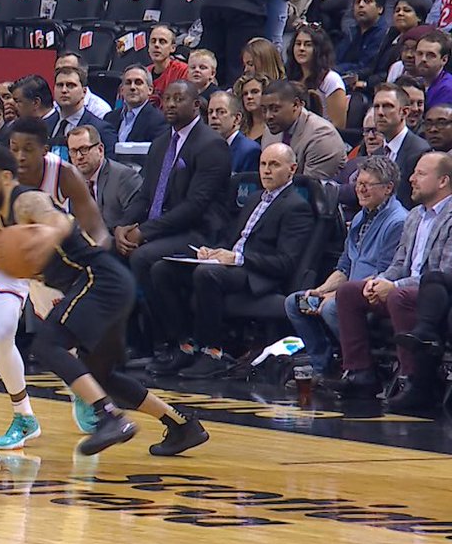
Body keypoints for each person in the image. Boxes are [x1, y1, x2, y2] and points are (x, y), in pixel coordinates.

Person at [0, 146, 210, 455]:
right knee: (101, 374)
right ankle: (181, 425)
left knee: (47, 345)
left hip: (99, 279)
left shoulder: (27, 200)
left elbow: (57, 222)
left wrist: (44, 238)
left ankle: (109, 417)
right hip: (103, 284)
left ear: (5, 178)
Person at [147, 143, 315, 377]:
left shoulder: (297, 207)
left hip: (258, 275)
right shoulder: (255, 198)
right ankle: (184, 345)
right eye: (263, 164)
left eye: (274, 165)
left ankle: (212, 353)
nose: (266, 170)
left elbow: (284, 263)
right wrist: (212, 251)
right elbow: (231, 239)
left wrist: (237, 258)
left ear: (292, 169)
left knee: (207, 274)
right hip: (231, 264)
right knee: (162, 270)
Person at [115, 80, 233, 341]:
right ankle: (133, 340)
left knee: (143, 258)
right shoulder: (160, 143)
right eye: (167, 98)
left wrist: (144, 232)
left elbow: (195, 206)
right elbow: (146, 194)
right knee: (113, 250)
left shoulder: (211, 145)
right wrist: (123, 225)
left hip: (201, 233)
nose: (169, 104)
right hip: (166, 228)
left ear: (196, 105)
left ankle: (174, 340)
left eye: (178, 99)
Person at [328, 151, 452, 398]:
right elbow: (399, 263)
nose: (412, 179)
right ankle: (359, 372)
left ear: (443, 181)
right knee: (350, 291)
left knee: (399, 296)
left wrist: (393, 286)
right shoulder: (416, 215)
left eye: (420, 174)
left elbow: (443, 274)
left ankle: (412, 380)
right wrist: (380, 281)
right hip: (405, 288)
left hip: (436, 296)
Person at [287, 155, 406, 379]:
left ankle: (362, 368)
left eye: (366, 185)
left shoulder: (397, 222)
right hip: (346, 292)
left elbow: (383, 275)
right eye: (358, 184)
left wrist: (335, 296)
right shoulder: (362, 215)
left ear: (388, 188)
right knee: (296, 302)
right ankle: (324, 367)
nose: (360, 190)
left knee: (333, 308)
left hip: (371, 296)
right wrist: (321, 291)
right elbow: (345, 265)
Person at [261, 79, 348, 180]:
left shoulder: (321, 137)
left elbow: (309, 190)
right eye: (263, 110)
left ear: (296, 104)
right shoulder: (270, 132)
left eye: (275, 109)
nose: (268, 116)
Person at [67, 125, 142, 233]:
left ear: (100, 149)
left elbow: (133, 220)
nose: (79, 156)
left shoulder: (124, 177)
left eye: (84, 149)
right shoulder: (73, 181)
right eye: (73, 151)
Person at [370, 83, 431, 208]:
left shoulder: (421, 152)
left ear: (404, 112)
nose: (380, 112)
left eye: (387, 106)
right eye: (376, 106)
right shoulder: (377, 154)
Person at [286, 24, 349, 128]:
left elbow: (339, 125)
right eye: (298, 44)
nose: (301, 48)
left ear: (319, 49)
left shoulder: (331, 79)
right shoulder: (290, 77)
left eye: (308, 44)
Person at [104, 65, 169, 143]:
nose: (132, 87)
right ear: (121, 90)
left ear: (150, 90)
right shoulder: (109, 118)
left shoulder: (160, 120)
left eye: (138, 83)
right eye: (128, 83)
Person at [208, 90, 262, 172]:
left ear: (237, 118)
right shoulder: (205, 148)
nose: (213, 116)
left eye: (221, 112)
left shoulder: (250, 151)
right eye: (210, 112)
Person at [147, 25, 188, 108]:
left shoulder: (183, 70)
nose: (156, 45)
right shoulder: (143, 73)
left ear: (172, 48)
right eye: (153, 41)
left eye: (162, 42)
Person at [416, 30, 452, 108]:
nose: (423, 59)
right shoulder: (418, 82)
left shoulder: (448, 88)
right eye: (420, 53)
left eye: (430, 55)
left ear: (444, 60)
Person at [236, 72, 271, 143]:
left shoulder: (274, 126)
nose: (249, 97)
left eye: (255, 92)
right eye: (245, 94)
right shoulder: (239, 128)